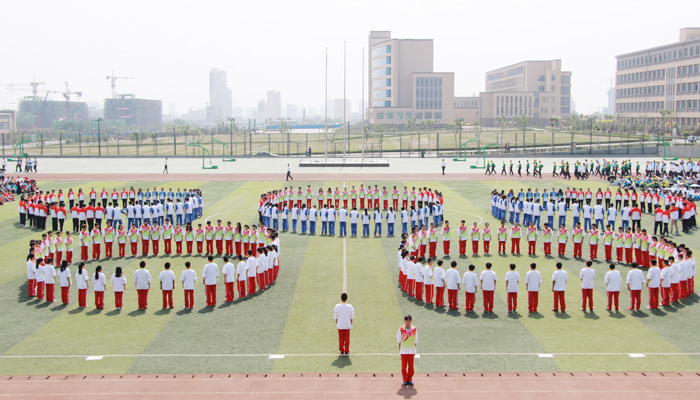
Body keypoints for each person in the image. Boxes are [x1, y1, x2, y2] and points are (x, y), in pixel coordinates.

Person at [397, 315, 417, 386]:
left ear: (411, 321)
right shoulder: (401, 329)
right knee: (403, 367)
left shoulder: (414, 329)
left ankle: (410, 378)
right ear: (404, 321)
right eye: (406, 321)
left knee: (411, 368)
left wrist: (413, 349)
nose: (407, 322)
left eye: (409, 321)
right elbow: (399, 341)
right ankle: (405, 379)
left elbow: (415, 341)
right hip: (404, 351)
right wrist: (400, 350)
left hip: (411, 352)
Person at [334, 292, 354, 357]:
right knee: (347, 339)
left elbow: (336, 316)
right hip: (347, 325)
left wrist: (337, 323)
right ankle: (347, 351)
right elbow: (351, 317)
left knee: (341, 338)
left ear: (341, 298)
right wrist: (350, 324)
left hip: (340, 325)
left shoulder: (337, 306)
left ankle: (342, 351)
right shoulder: (350, 307)